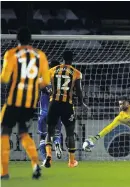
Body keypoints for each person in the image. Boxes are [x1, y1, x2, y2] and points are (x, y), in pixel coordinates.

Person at [1, 27, 50, 179]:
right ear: (31, 40)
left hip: (13, 101)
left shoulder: (11, 54)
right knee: (24, 133)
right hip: (30, 103)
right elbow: (46, 82)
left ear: (17, 39)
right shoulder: (40, 56)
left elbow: (4, 78)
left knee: (4, 134)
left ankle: (4, 172)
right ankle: (35, 164)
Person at [43, 51, 88, 168]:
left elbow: (42, 82)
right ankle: (71, 161)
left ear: (62, 58)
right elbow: (78, 90)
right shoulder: (76, 73)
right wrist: (82, 103)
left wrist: (49, 90)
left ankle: (49, 156)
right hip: (67, 105)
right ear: (72, 59)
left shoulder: (52, 70)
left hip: (53, 104)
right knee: (70, 134)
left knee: (50, 132)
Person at [38, 60, 64, 161]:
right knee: (56, 134)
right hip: (57, 112)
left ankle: (45, 159)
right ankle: (57, 144)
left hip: (44, 113)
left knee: (43, 137)